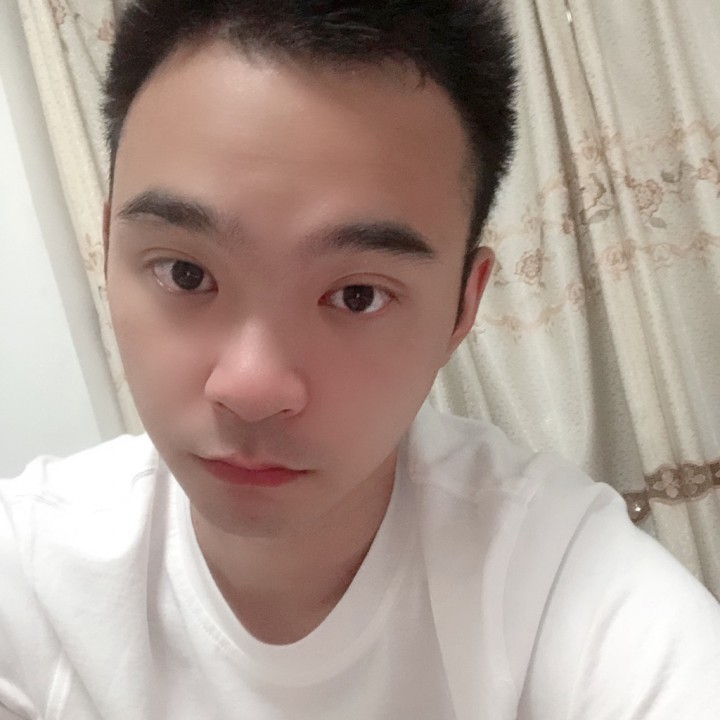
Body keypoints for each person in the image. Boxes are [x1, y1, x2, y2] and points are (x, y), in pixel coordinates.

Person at [1, 1, 719, 718]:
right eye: (185, 273)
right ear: (109, 248)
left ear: (462, 308)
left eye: (358, 295)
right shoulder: (31, 577)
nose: (252, 387)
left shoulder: (565, 591)